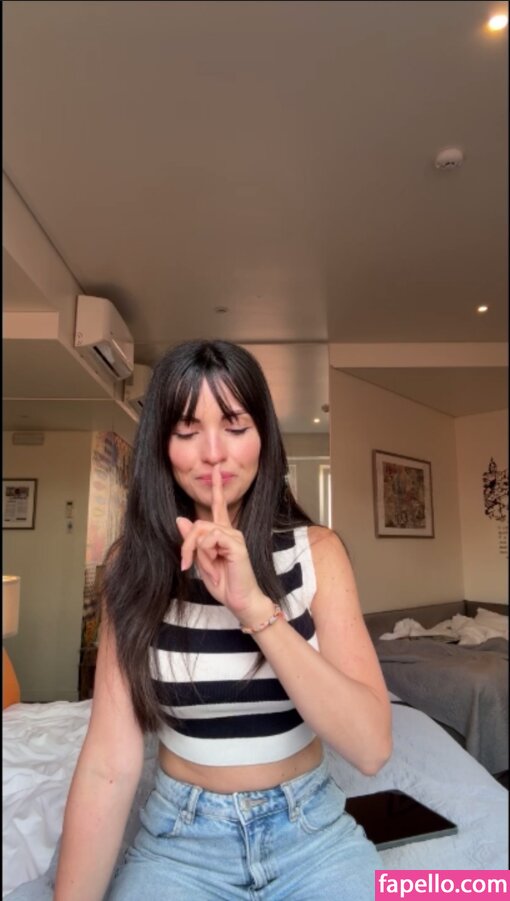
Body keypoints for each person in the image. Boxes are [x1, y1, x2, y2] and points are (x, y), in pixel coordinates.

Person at [54, 339, 392, 901]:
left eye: (235, 426)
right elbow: (107, 764)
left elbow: (372, 747)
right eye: (187, 431)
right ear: (162, 447)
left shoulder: (318, 553)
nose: (214, 453)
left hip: (312, 836)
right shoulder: (130, 566)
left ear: (264, 437)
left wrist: (254, 607)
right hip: (180, 843)